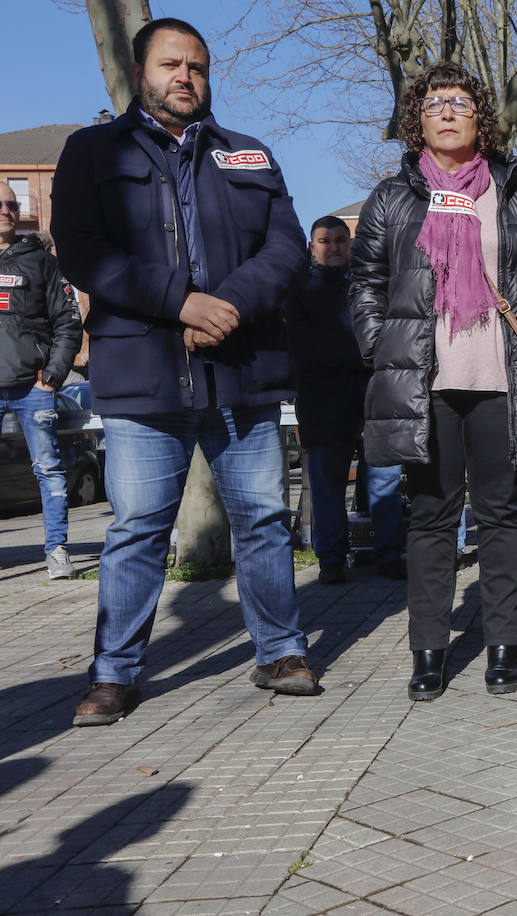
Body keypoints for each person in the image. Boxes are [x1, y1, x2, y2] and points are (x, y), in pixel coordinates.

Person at [52, 17, 316, 726]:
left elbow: (288, 247)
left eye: (197, 66)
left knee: (262, 519)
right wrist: (182, 303)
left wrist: (228, 303)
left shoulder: (248, 155)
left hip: (242, 372)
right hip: (145, 375)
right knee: (138, 525)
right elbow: (81, 250)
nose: (186, 77)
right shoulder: (92, 151)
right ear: (141, 72)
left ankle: (281, 651)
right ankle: (115, 674)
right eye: (172, 65)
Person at [350, 62, 517, 698]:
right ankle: (429, 650)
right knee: (431, 519)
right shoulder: (393, 199)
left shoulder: (515, 190)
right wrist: (378, 343)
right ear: (418, 120)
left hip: (502, 377)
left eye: (460, 102)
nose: (447, 111)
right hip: (426, 381)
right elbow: (363, 283)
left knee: (502, 517)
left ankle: (504, 643)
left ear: (481, 117)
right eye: (434, 103)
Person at [287, 215, 405, 584]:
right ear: (313, 246)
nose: (335, 247)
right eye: (326, 241)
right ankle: (332, 561)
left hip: (374, 400)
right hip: (324, 406)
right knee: (327, 489)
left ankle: (388, 555)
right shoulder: (297, 291)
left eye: (341, 239)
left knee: (384, 484)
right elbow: (303, 346)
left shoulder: (371, 283)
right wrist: (363, 354)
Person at [0, 185, 82, 578]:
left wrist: (52, 377)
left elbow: (69, 320)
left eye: (11, 204)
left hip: (32, 387)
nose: (6, 210)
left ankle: (56, 550)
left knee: (48, 469)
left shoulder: (41, 262)